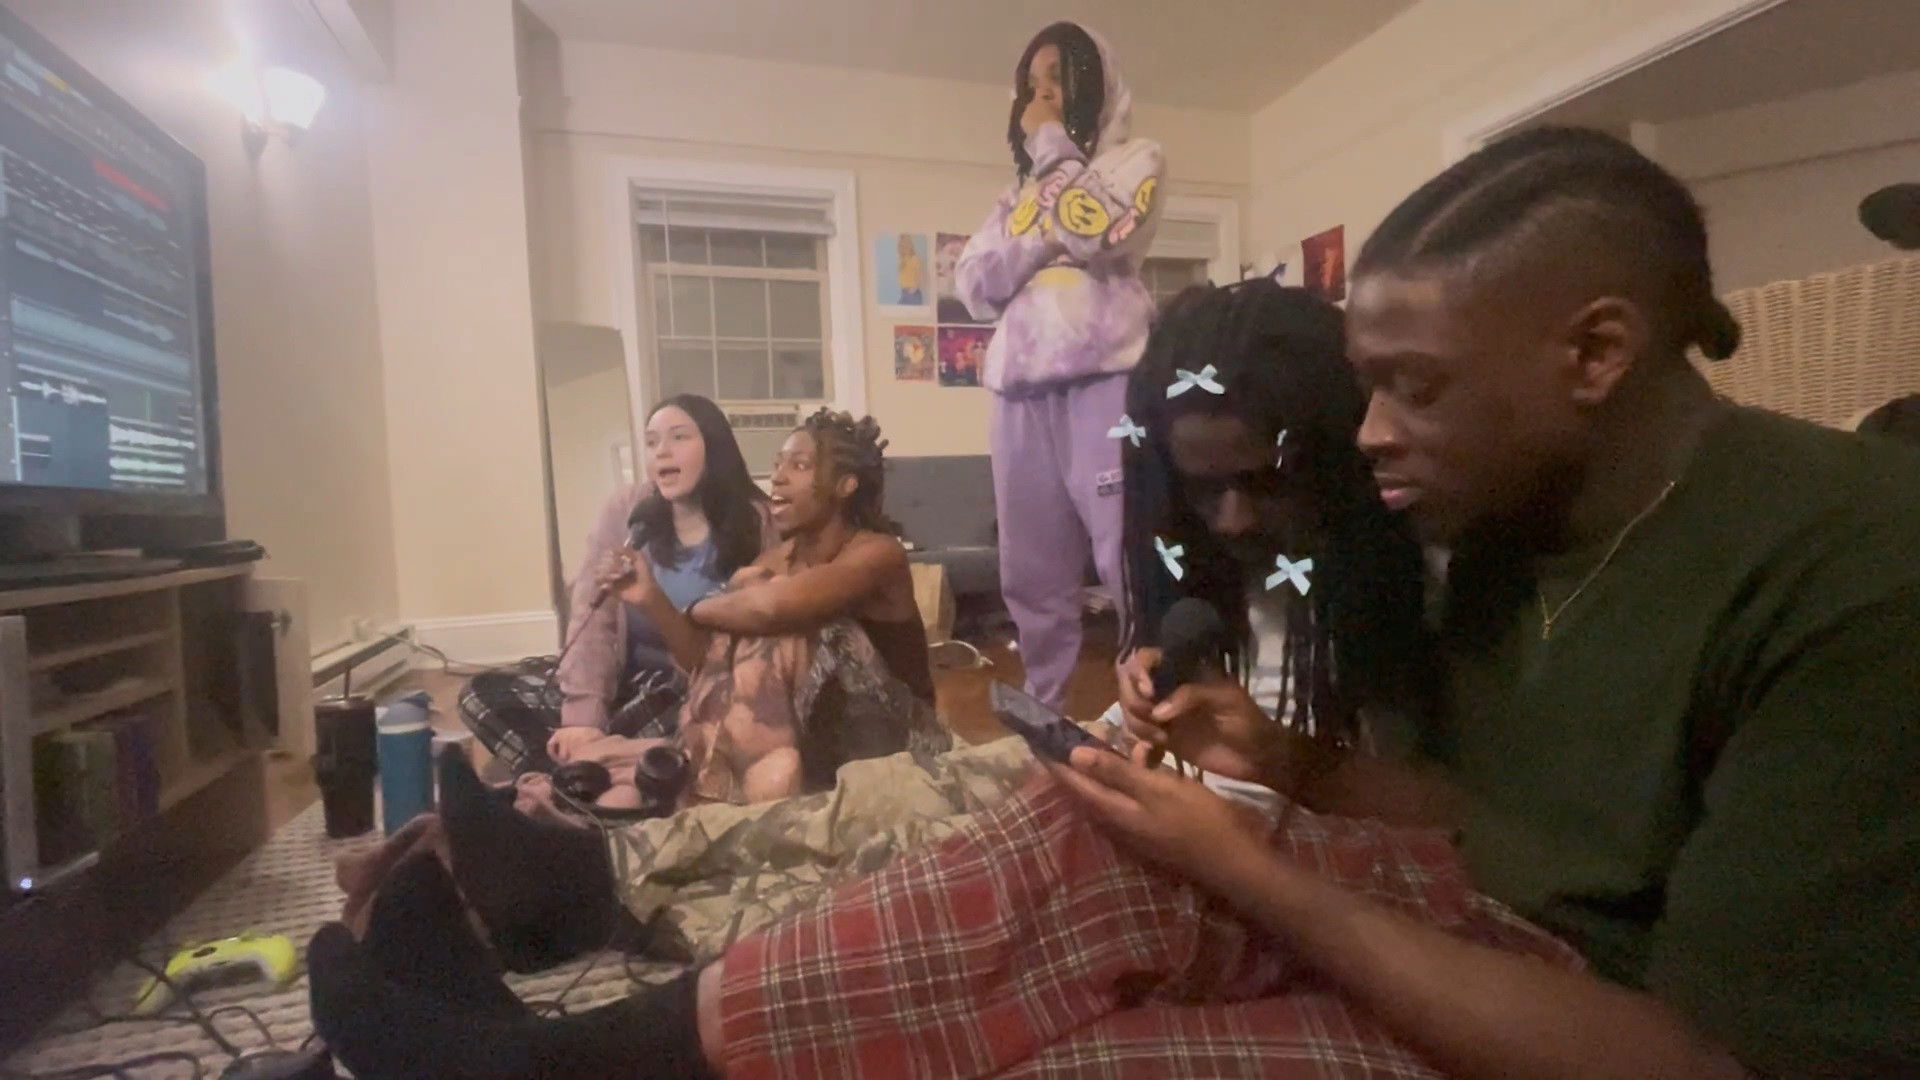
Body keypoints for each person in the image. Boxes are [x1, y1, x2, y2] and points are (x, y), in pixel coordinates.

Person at [313, 129, 1920, 1078]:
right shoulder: (1513, 517)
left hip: (1599, 1027)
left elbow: (1711, 1054)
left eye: (1414, 389)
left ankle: (565, 1032)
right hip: (1465, 919)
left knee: (1056, 1023)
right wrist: (1291, 772)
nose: (1373, 439)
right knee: (1081, 840)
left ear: (1595, 352)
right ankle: (554, 1046)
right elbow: (1506, 817)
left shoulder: (1856, 569)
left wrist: (1264, 865)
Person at [957, 20, 1165, 710]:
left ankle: (1150, 705)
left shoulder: (1137, 160)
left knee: (1126, 554)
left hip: (1107, 378)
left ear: (1094, 85)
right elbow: (975, 283)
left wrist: (1051, 151)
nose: (1039, 96)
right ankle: (1046, 710)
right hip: (1016, 392)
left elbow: (1095, 226)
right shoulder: (1014, 198)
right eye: (1030, 85)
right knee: (1031, 570)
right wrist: (1047, 233)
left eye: (1057, 79)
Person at [458, 394, 775, 775]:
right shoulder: (627, 509)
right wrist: (583, 720)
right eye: (652, 442)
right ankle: (591, 770)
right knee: (481, 694)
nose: (662, 451)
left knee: (692, 733)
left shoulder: (758, 522)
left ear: (714, 445)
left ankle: (570, 777)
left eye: (679, 437)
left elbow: (741, 656)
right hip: (622, 681)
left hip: (692, 691)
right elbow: (591, 616)